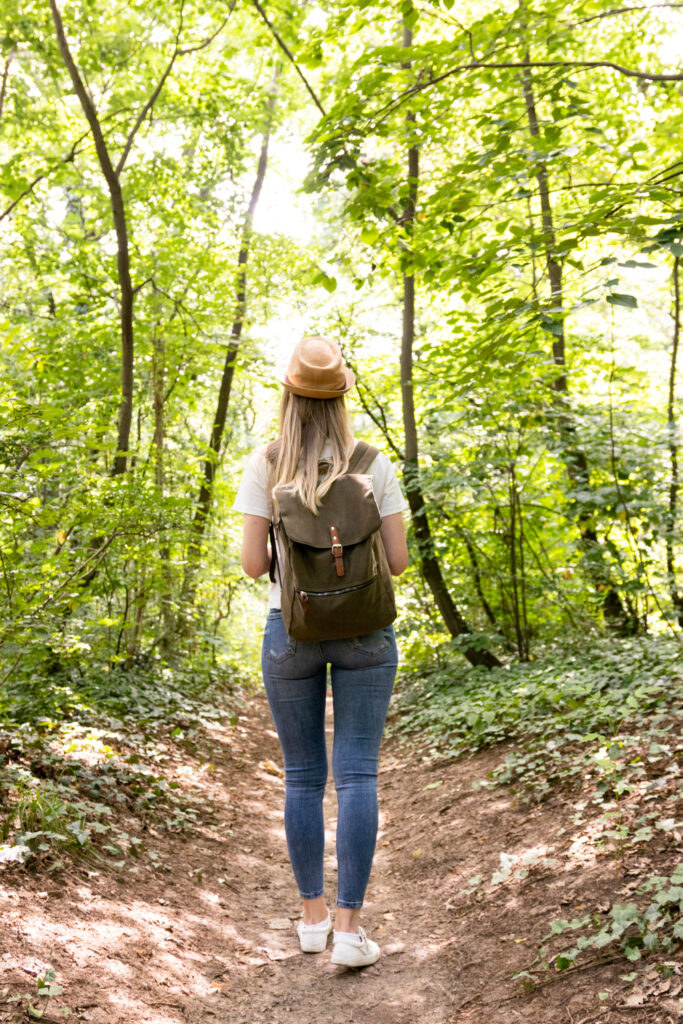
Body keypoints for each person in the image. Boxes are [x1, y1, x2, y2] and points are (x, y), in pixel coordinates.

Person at [234, 335, 409, 968]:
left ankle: (311, 920)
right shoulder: (372, 464)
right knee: (358, 774)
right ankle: (350, 930)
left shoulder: (266, 464)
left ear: (289, 396)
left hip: (290, 631)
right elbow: (398, 561)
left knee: (303, 777)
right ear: (341, 400)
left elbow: (254, 565)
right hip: (366, 632)